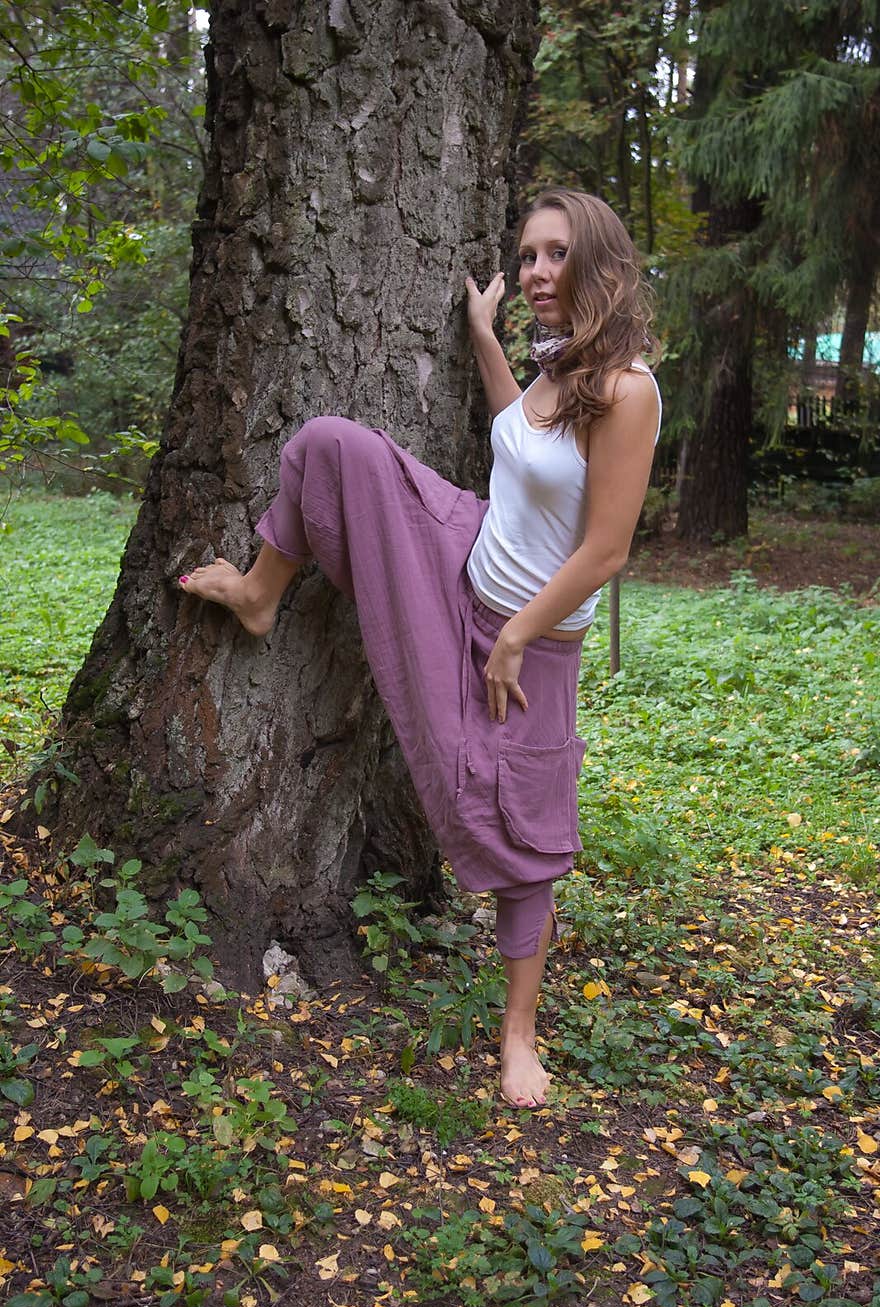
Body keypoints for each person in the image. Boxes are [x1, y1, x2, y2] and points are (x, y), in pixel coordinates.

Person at [178, 187, 662, 1109]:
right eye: (526, 258)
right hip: (460, 556)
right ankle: (256, 593)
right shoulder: (556, 367)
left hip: (532, 645)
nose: (536, 274)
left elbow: (607, 547)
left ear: (599, 260)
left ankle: (519, 1037)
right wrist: (485, 335)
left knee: (526, 835)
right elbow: (519, 438)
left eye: (556, 254)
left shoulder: (630, 391)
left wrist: (516, 636)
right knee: (333, 446)